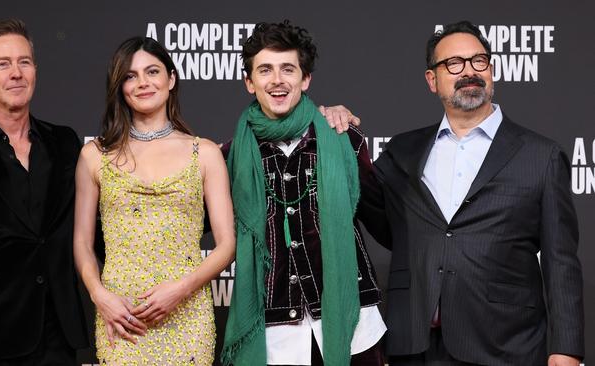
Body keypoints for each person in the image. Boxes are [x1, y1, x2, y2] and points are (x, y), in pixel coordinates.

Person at [372, 20, 584, 365]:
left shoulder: (541, 155)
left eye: (478, 61)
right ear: (432, 80)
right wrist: (336, 130)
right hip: (415, 345)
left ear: (492, 70)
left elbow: (561, 262)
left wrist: (566, 349)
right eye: (453, 64)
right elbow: (376, 216)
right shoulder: (403, 151)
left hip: (505, 345)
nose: (468, 72)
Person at [221, 21, 386, 366]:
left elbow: (387, 225)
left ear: (305, 79)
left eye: (288, 69)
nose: (277, 80)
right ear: (250, 82)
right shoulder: (230, 158)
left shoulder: (342, 139)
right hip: (272, 332)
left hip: (352, 325)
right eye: (265, 70)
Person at [73, 36, 237, 365]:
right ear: (119, 87)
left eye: (152, 71)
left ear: (171, 79)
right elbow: (81, 241)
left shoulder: (203, 153)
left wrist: (181, 289)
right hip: (121, 314)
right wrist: (100, 295)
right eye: (131, 76)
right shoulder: (94, 155)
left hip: (188, 315)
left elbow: (227, 244)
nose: (143, 83)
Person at [0, 19, 88, 364]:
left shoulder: (65, 143)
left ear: (35, 70)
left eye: (24, 62)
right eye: (3, 64)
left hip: (60, 339)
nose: (16, 73)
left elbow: (96, 226)